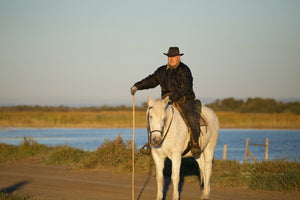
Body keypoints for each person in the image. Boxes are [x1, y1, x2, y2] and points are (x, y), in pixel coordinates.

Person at [130, 47, 201, 156]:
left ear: (178, 57)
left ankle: (195, 143)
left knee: (191, 117)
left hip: (184, 99)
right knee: (152, 116)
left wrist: (174, 96)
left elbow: (186, 87)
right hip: (166, 101)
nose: (170, 59)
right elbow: (151, 80)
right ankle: (151, 143)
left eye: (173, 57)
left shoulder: (185, 70)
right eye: (169, 57)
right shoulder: (162, 71)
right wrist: (137, 86)